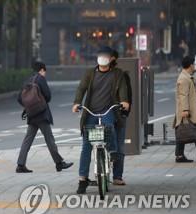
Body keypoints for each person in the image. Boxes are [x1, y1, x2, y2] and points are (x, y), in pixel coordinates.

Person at [72, 46, 129, 194]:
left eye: (106, 55)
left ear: (111, 59)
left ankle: (113, 152)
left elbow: (123, 90)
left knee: (109, 127)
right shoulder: (90, 73)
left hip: (108, 110)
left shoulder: (118, 74)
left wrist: (124, 101)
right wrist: (77, 102)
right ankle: (82, 179)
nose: (103, 57)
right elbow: (81, 89)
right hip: (90, 112)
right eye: (100, 55)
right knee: (86, 145)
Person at [16, 61, 73, 173]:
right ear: (42, 70)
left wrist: (29, 106)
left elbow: (19, 98)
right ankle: (59, 163)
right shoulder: (40, 79)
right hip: (42, 115)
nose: (44, 73)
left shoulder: (28, 80)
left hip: (32, 115)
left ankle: (20, 165)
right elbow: (48, 96)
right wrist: (40, 103)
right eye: (44, 71)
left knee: (27, 140)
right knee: (49, 139)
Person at [173, 55, 196, 163]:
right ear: (190, 65)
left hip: (192, 110)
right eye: (194, 64)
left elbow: (190, 92)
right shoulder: (183, 78)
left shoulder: (187, 76)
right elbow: (183, 95)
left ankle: (180, 156)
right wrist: (185, 110)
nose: (195, 65)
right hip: (189, 111)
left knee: (185, 132)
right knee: (188, 131)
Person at [110, 50, 132, 186]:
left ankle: (117, 176)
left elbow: (128, 96)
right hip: (103, 114)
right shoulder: (96, 74)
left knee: (119, 146)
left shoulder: (121, 76)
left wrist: (125, 111)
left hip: (119, 115)